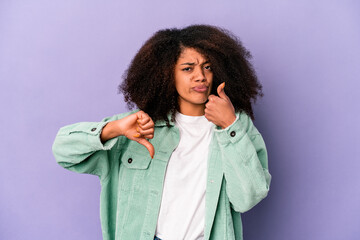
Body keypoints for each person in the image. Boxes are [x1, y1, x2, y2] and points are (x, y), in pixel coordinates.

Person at [52, 24, 271, 240]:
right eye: (188, 68)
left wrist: (229, 126)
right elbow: (63, 151)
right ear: (167, 75)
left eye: (208, 67)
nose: (201, 76)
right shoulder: (137, 126)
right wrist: (113, 129)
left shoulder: (236, 126)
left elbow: (248, 198)